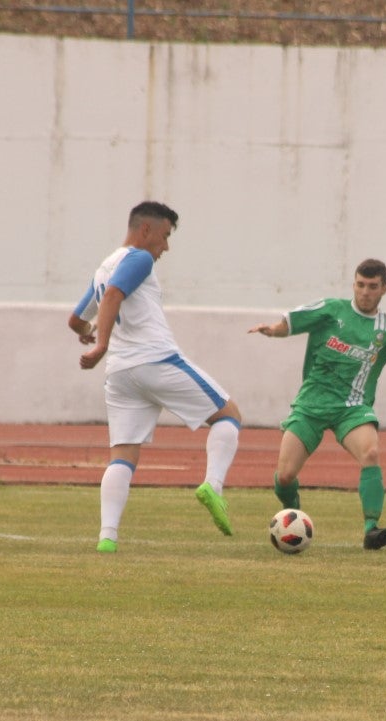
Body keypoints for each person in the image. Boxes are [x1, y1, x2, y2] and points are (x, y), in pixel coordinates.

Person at [69, 201, 242, 553]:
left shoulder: (104, 266)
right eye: (164, 237)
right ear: (145, 230)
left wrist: (89, 333)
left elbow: (75, 319)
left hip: (120, 374)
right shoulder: (139, 258)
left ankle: (107, 537)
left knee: (122, 456)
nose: (166, 247)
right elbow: (115, 295)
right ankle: (214, 487)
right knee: (228, 415)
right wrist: (100, 343)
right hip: (155, 360)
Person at [248, 258, 386, 549]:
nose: (365, 292)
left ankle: (372, 530)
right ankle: (293, 516)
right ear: (354, 284)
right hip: (311, 404)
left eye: (373, 287)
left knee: (370, 452)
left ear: (384, 289)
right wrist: (272, 329)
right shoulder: (332, 310)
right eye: (360, 285)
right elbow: (291, 322)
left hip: (353, 408)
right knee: (284, 476)